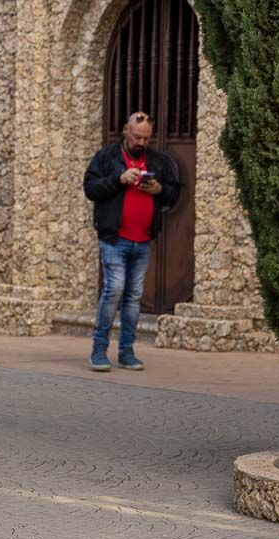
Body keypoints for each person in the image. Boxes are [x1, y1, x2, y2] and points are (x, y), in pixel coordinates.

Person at [83, 110, 181, 371]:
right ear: (125, 131)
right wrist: (119, 179)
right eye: (137, 137)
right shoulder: (106, 157)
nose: (141, 143)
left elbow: (173, 194)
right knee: (114, 290)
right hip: (115, 237)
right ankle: (99, 349)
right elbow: (90, 189)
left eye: (146, 139)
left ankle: (127, 351)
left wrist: (159, 189)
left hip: (143, 240)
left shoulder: (158, 161)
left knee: (134, 296)